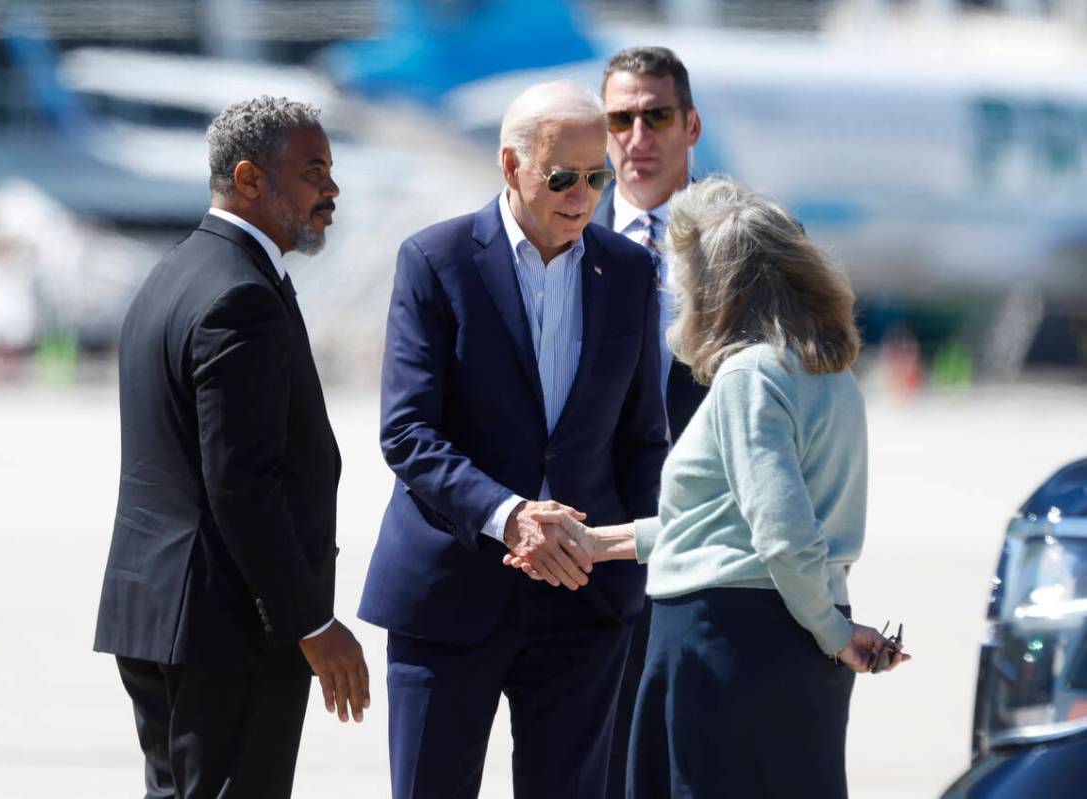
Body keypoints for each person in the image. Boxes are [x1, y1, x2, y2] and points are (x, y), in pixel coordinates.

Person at [507, 178, 909, 798]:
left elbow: (779, 531)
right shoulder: (830, 374)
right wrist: (595, 542)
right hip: (802, 629)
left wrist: (832, 633)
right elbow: (718, 523)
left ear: (717, 284)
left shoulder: (751, 375)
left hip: (730, 639)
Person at [357, 80, 668, 799]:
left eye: (599, 176)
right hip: (451, 592)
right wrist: (511, 515)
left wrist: (626, 565)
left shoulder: (627, 271)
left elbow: (642, 439)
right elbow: (407, 430)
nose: (583, 193)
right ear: (510, 165)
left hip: (583, 602)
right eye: (563, 176)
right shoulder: (437, 261)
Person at [93, 96, 369, 799]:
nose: (332, 189)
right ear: (249, 179)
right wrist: (312, 620)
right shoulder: (237, 295)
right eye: (313, 171)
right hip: (229, 628)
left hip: (164, 614)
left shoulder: (175, 272)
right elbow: (241, 486)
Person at [592, 45, 704, 798]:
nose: (639, 136)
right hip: (591, 555)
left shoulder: (747, 247)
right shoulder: (559, 240)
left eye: (656, 116)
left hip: (710, 551)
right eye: (621, 118)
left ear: (690, 125)